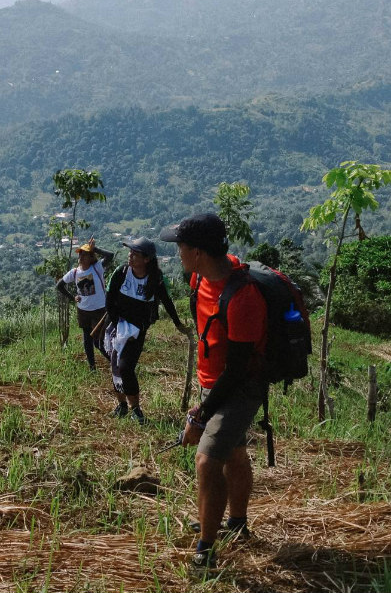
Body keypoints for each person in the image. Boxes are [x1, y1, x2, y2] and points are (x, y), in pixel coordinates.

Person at [160, 213, 267, 571]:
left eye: (181, 247)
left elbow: (237, 372)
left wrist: (202, 415)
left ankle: (206, 550)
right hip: (214, 381)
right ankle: (235, 523)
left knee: (207, 461)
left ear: (199, 252)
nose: (178, 254)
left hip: (240, 388)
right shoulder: (201, 277)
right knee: (233, 453)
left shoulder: (243, 299)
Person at [103, 237, 189, 424]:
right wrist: (117, 323)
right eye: (130, 252)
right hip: (117, 325)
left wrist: (177, 323)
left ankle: (136, 409)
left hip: (137, 329)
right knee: (116, 365)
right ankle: (122, 405)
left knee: (126, 367)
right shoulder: (121, 273)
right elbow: (109, 299)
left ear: (146, 259)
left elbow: (166, 301)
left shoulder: (155, 278)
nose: (130, 256)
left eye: (135, 254)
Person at [56, 239, 114, 371]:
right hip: (83, 310)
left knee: (98, 341)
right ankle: (92, 367)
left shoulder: (97, 267)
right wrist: (72, 297)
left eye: (85, 254)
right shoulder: (75, 272)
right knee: (87, 339)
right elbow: (59, 285)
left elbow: (110, 255)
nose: (81, 257)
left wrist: (96, 249)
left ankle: (114, 360)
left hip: (99, 309)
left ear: (90, 257)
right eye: (80, 254)